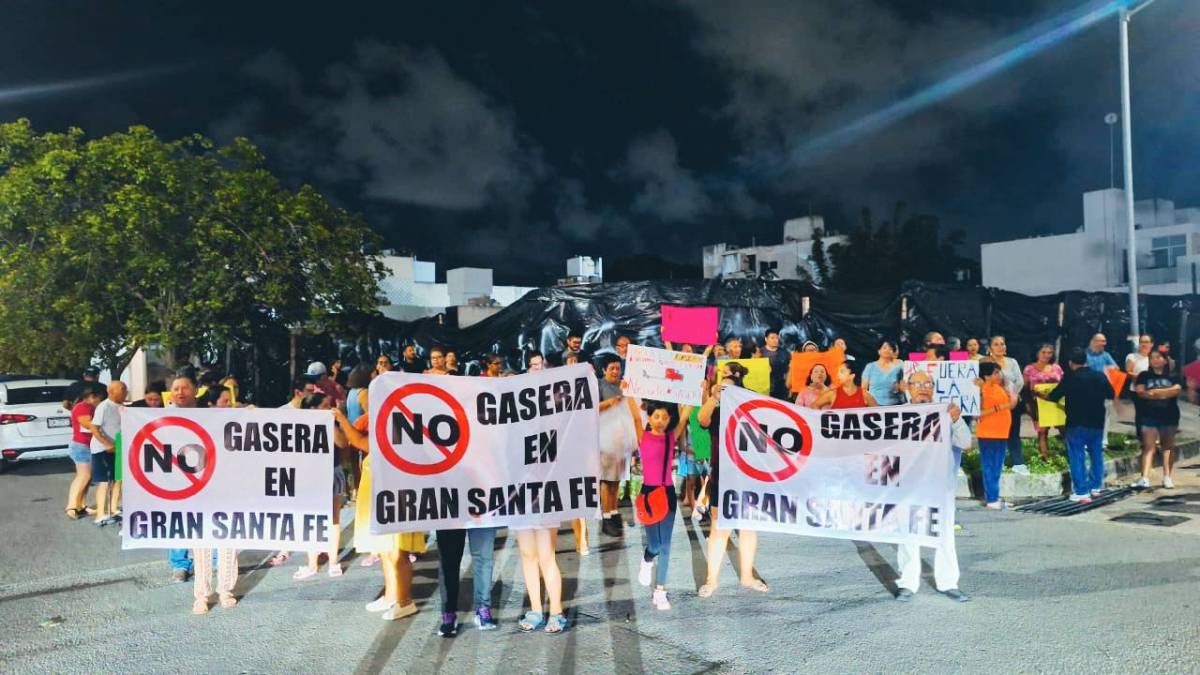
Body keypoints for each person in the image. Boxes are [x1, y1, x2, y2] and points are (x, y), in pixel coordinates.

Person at [334, 402, 425, 622]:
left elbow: (360, 442)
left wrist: (341, 417)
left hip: (395, 495)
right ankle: (391, 596)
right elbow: (359, 442)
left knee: (397, 552)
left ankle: (405, 601)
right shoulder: (385, 423)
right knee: (385, 550)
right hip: (380, 494)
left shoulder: (400, 425)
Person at [896, 370, 969, 602]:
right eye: (917, 383)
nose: (923, 387)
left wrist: (957, 421)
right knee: (908, 533)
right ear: (908, 387)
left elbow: (966, 443)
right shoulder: (897, 415)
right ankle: (907, 583)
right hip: (909, 486)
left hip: (940, 487)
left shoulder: (948, 413)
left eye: (927, 383)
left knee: (944, 534)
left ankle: (948, 582)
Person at [697, 374, 767, 599]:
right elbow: (702, 419)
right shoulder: (716, 412)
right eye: (721, 389)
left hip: (747, 478)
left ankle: (747, 576)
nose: (723, 392)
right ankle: (711, 580)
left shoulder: (751, 415)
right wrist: (713, 397)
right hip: (721, 478)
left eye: (729, 390)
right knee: (719, 528)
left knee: (748, 527)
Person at [628, 397, 691, 611]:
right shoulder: (643, 436)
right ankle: (647, 560)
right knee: (654, 545)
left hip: (668, 493)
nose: (661, 420)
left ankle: (660, 591)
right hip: (649, 494)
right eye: (657, 416)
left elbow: (684, 417)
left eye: (665, 417)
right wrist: (629, 393)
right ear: (650, 418)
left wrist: (694, 391)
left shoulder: (671, 437)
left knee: (666, 546)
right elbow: (636, 416)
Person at [1038, 348, 1112, 502]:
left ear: (1071, 363)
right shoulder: (1099, 376)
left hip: (1076, 422)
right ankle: (1096, 487)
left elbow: (1054, 396)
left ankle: (1081, 491)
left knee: (1077, 456)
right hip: (1097, 422)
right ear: (1086, 361)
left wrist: (1039, 394)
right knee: (1096, 455)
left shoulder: (1070, 378)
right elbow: (1111, 393)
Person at [293, 393, 347, 580]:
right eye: (324, 406)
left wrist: (330, 423)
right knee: (310, 518)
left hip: (332, 470)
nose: (329, 408)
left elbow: (342, 443)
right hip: (309, 476)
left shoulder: (332, 423)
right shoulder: (298, 425)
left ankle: (333, 562)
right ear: (312, 409)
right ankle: (312, 563)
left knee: (333, 518)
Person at [1132, 348, 1182, 489]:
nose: (1155, 360)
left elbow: (1176, 390)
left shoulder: (1173, 375)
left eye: (1158, 357)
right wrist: (1164, 393)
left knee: (1168, 447)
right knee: (1149, 447)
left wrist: (1156, 392)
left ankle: (1167, 476)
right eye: (1152, 357)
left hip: (1169, 415)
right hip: (1149, 415)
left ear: (1165, 360)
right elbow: (1140, 391)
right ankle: (1145, 477)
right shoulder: (1144, 375)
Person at [977, 361, 1017, 509]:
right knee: (989, 466)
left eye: (998, 372)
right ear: (986, 375)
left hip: (1001, 432)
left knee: (997, 467)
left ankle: (994, 496)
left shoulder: (999, 387)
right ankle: (991, 499)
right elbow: (978, 413)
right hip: (988, 432)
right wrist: (1001, 407)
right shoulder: (981, 389)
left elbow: (1010, 405)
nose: (998, 375)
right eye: (995, 372)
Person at [986, 336, 1027, 475]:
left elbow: (1019, 381)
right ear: (990, 348)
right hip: (992, 405)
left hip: (1012, 403)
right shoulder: (985, 362)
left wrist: (1012, 396)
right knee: (995, 434)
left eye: (1002, 344)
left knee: (1013, 433)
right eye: (996, 344)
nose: (1000, 347)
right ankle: (998, 462)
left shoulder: (1012, 362)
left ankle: (1018, 463)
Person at [89, 381, 127, 527]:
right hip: (102, 449)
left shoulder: (122, 407)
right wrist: (106, 443)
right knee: (104, 481)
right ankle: (100, 514)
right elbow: (94, 427)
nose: (125, 392)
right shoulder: (104, 406)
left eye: (125, 389)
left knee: (118, 479)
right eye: (122, 389)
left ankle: (114, 508)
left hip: (118, 447)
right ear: (111, 391)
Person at [596, 354, 627, 537]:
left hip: (622, 439)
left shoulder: (624, 385)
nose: (615, 372)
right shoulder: (599, 386)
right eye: (612, 369)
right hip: (604, 439)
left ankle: (614, 512)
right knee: (606, 480)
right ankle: (605, 517)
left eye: (618, 368)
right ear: (604, 370)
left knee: (616, 479)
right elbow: (591, 408)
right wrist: (609, 403)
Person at [65, 383, 104, 520]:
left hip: (87, 446)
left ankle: (81, 505)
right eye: (100, 397)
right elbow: (87, 423)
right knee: (83, 476)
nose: (101, 400)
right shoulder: (83, 407)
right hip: (81, 446)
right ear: (91, 397)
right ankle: (71, 506)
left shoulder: (90, 407)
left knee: (87, 478)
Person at [1023, 344, 1064, 462]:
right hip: (1039, 405)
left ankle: (1070, 456)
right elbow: (1025, 389)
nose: (1046, 355)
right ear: (1037, 353)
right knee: (1042, 432)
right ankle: (1045, 459)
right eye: (1043, 352)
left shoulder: (1056, 368)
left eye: (1049, 353)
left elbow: (1062, 385)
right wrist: (1029, 405)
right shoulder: (1029, 369)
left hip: (1056, 404)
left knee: (1064, 430)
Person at [861, 339, 903, 406]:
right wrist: (872, 404)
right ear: (879, 351)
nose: (887, 350)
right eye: (884, 348)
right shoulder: (870, 367)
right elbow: (863, 389)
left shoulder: (900, 365)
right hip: (875, 406)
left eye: (890, 349)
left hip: (896, 405)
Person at [761, 329, 791, 400]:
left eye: (777, 338)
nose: (775, 340)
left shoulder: (785, 353)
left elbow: (790, 369)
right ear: (766, 339)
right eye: (772, 338)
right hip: (765, 388)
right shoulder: (760, 352)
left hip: (782, 388)